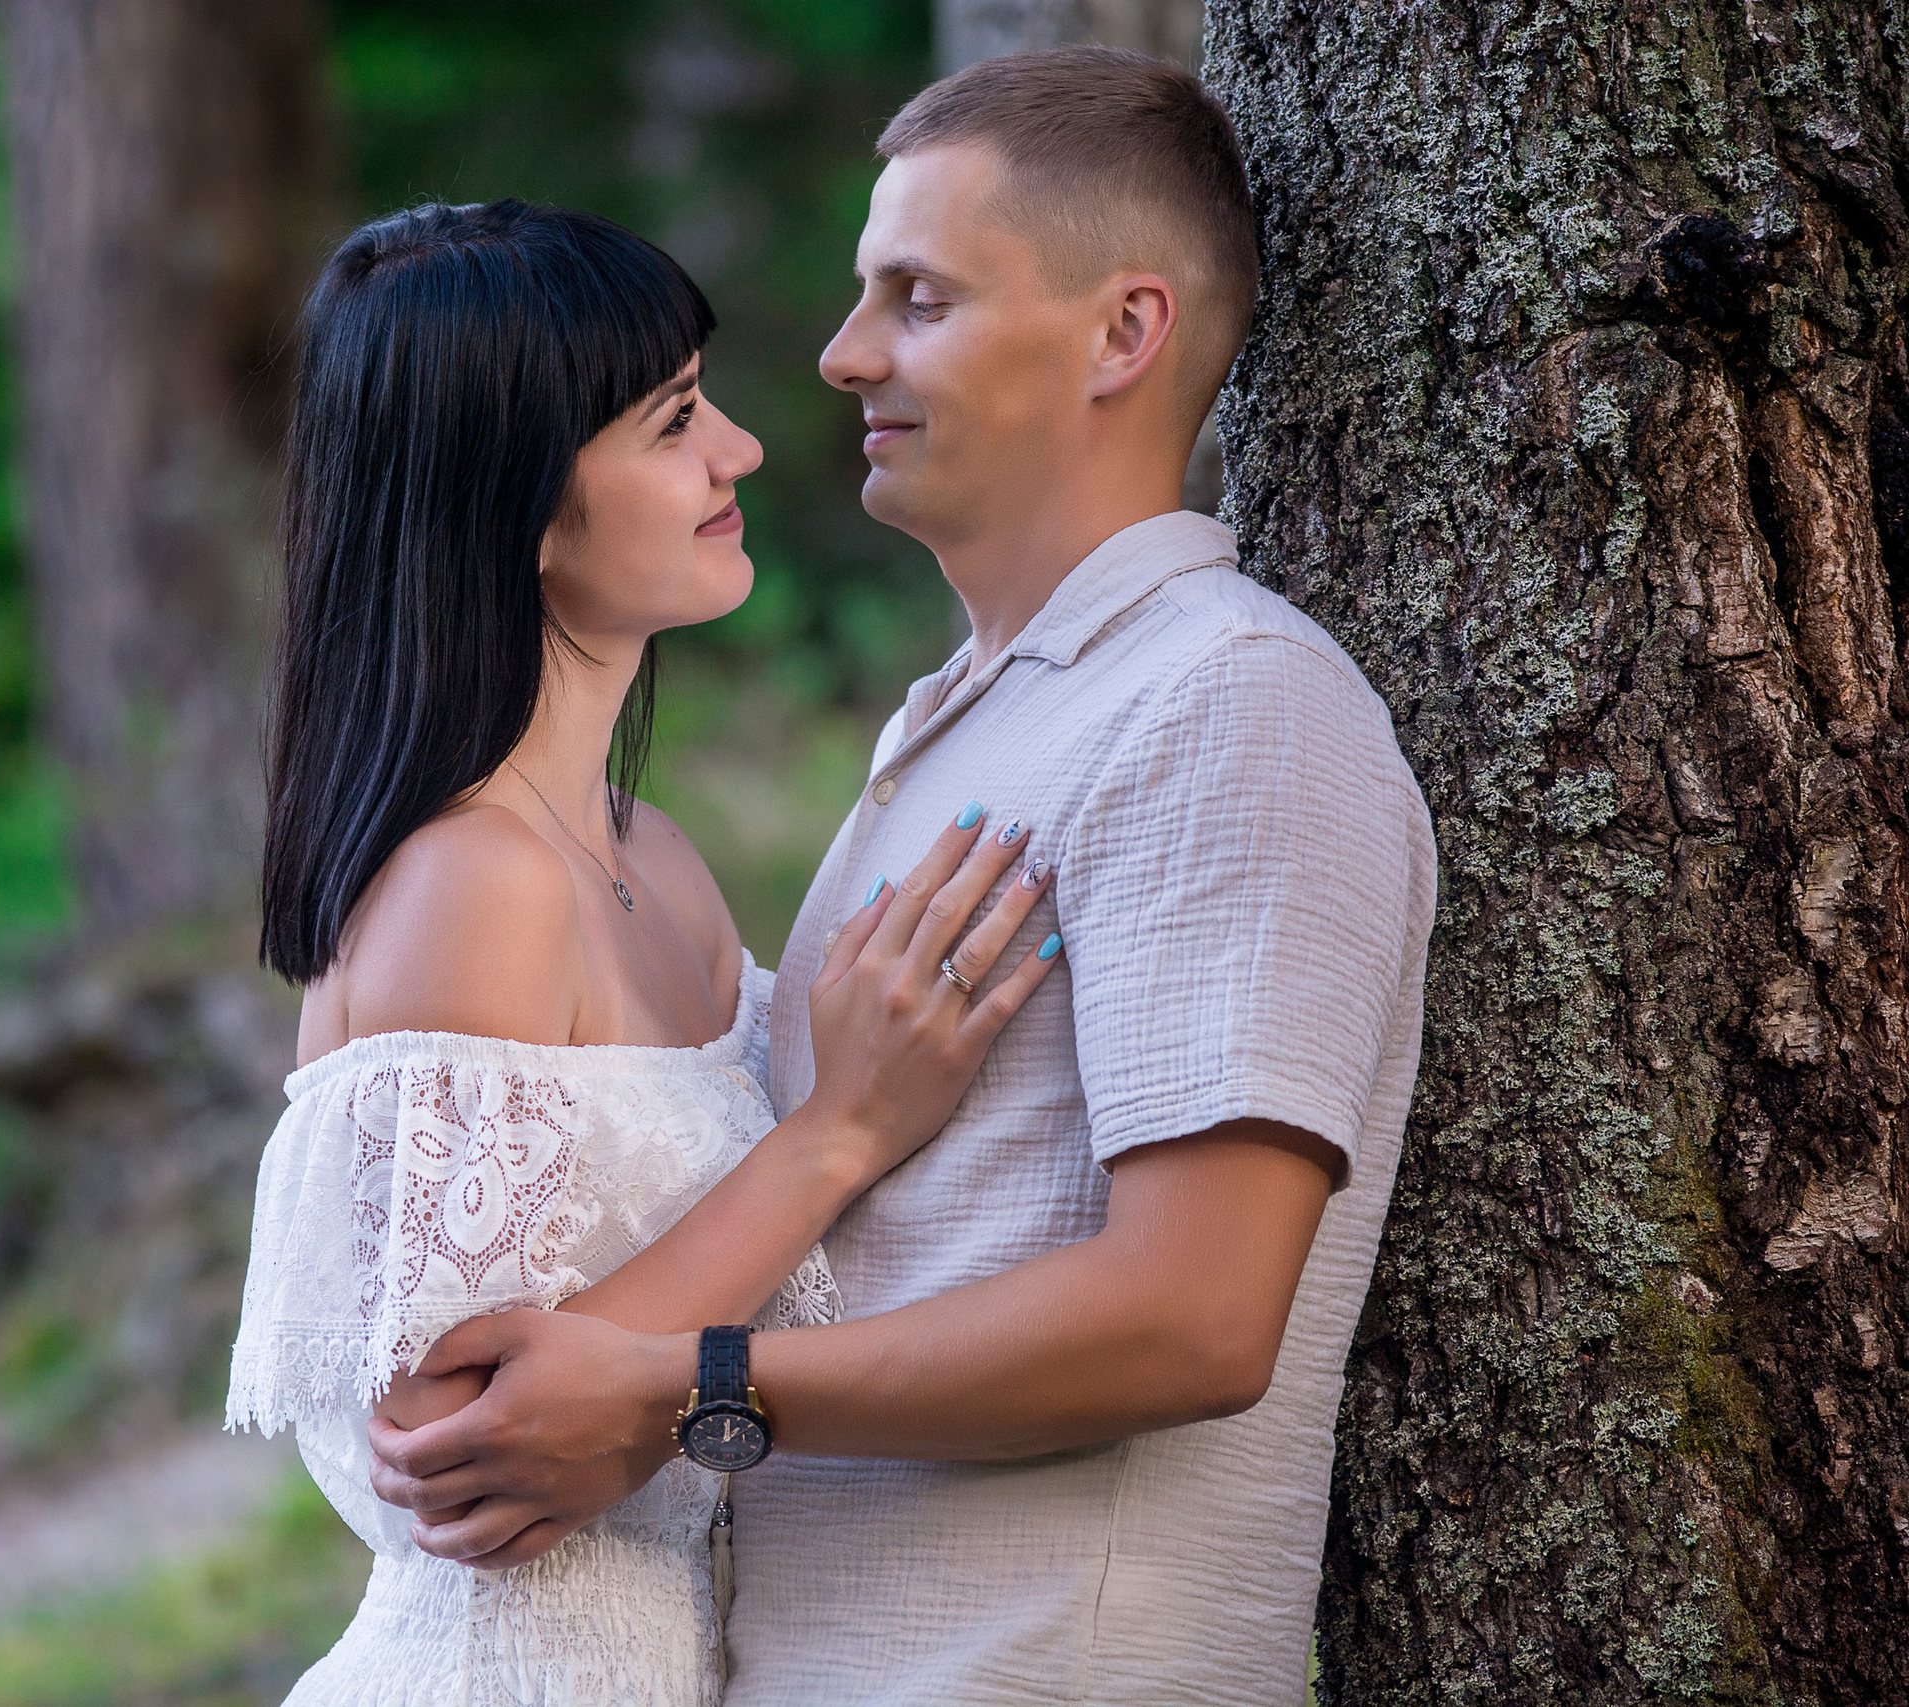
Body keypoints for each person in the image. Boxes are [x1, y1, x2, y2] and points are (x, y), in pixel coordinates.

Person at [364, 47, 1440, 1707]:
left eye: (919, 298)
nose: (843, 351)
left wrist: (686, 1390)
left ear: (1124, 333)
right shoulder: (964, 725)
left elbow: (1196, 1316)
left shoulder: (1229, 701)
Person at [229, 198, 1064, 1706]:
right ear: (519, 506)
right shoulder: (473, 885)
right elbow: (457, 1448)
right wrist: (837, 1132)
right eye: (674, 421)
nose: (739, 450)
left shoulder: (652, 855)